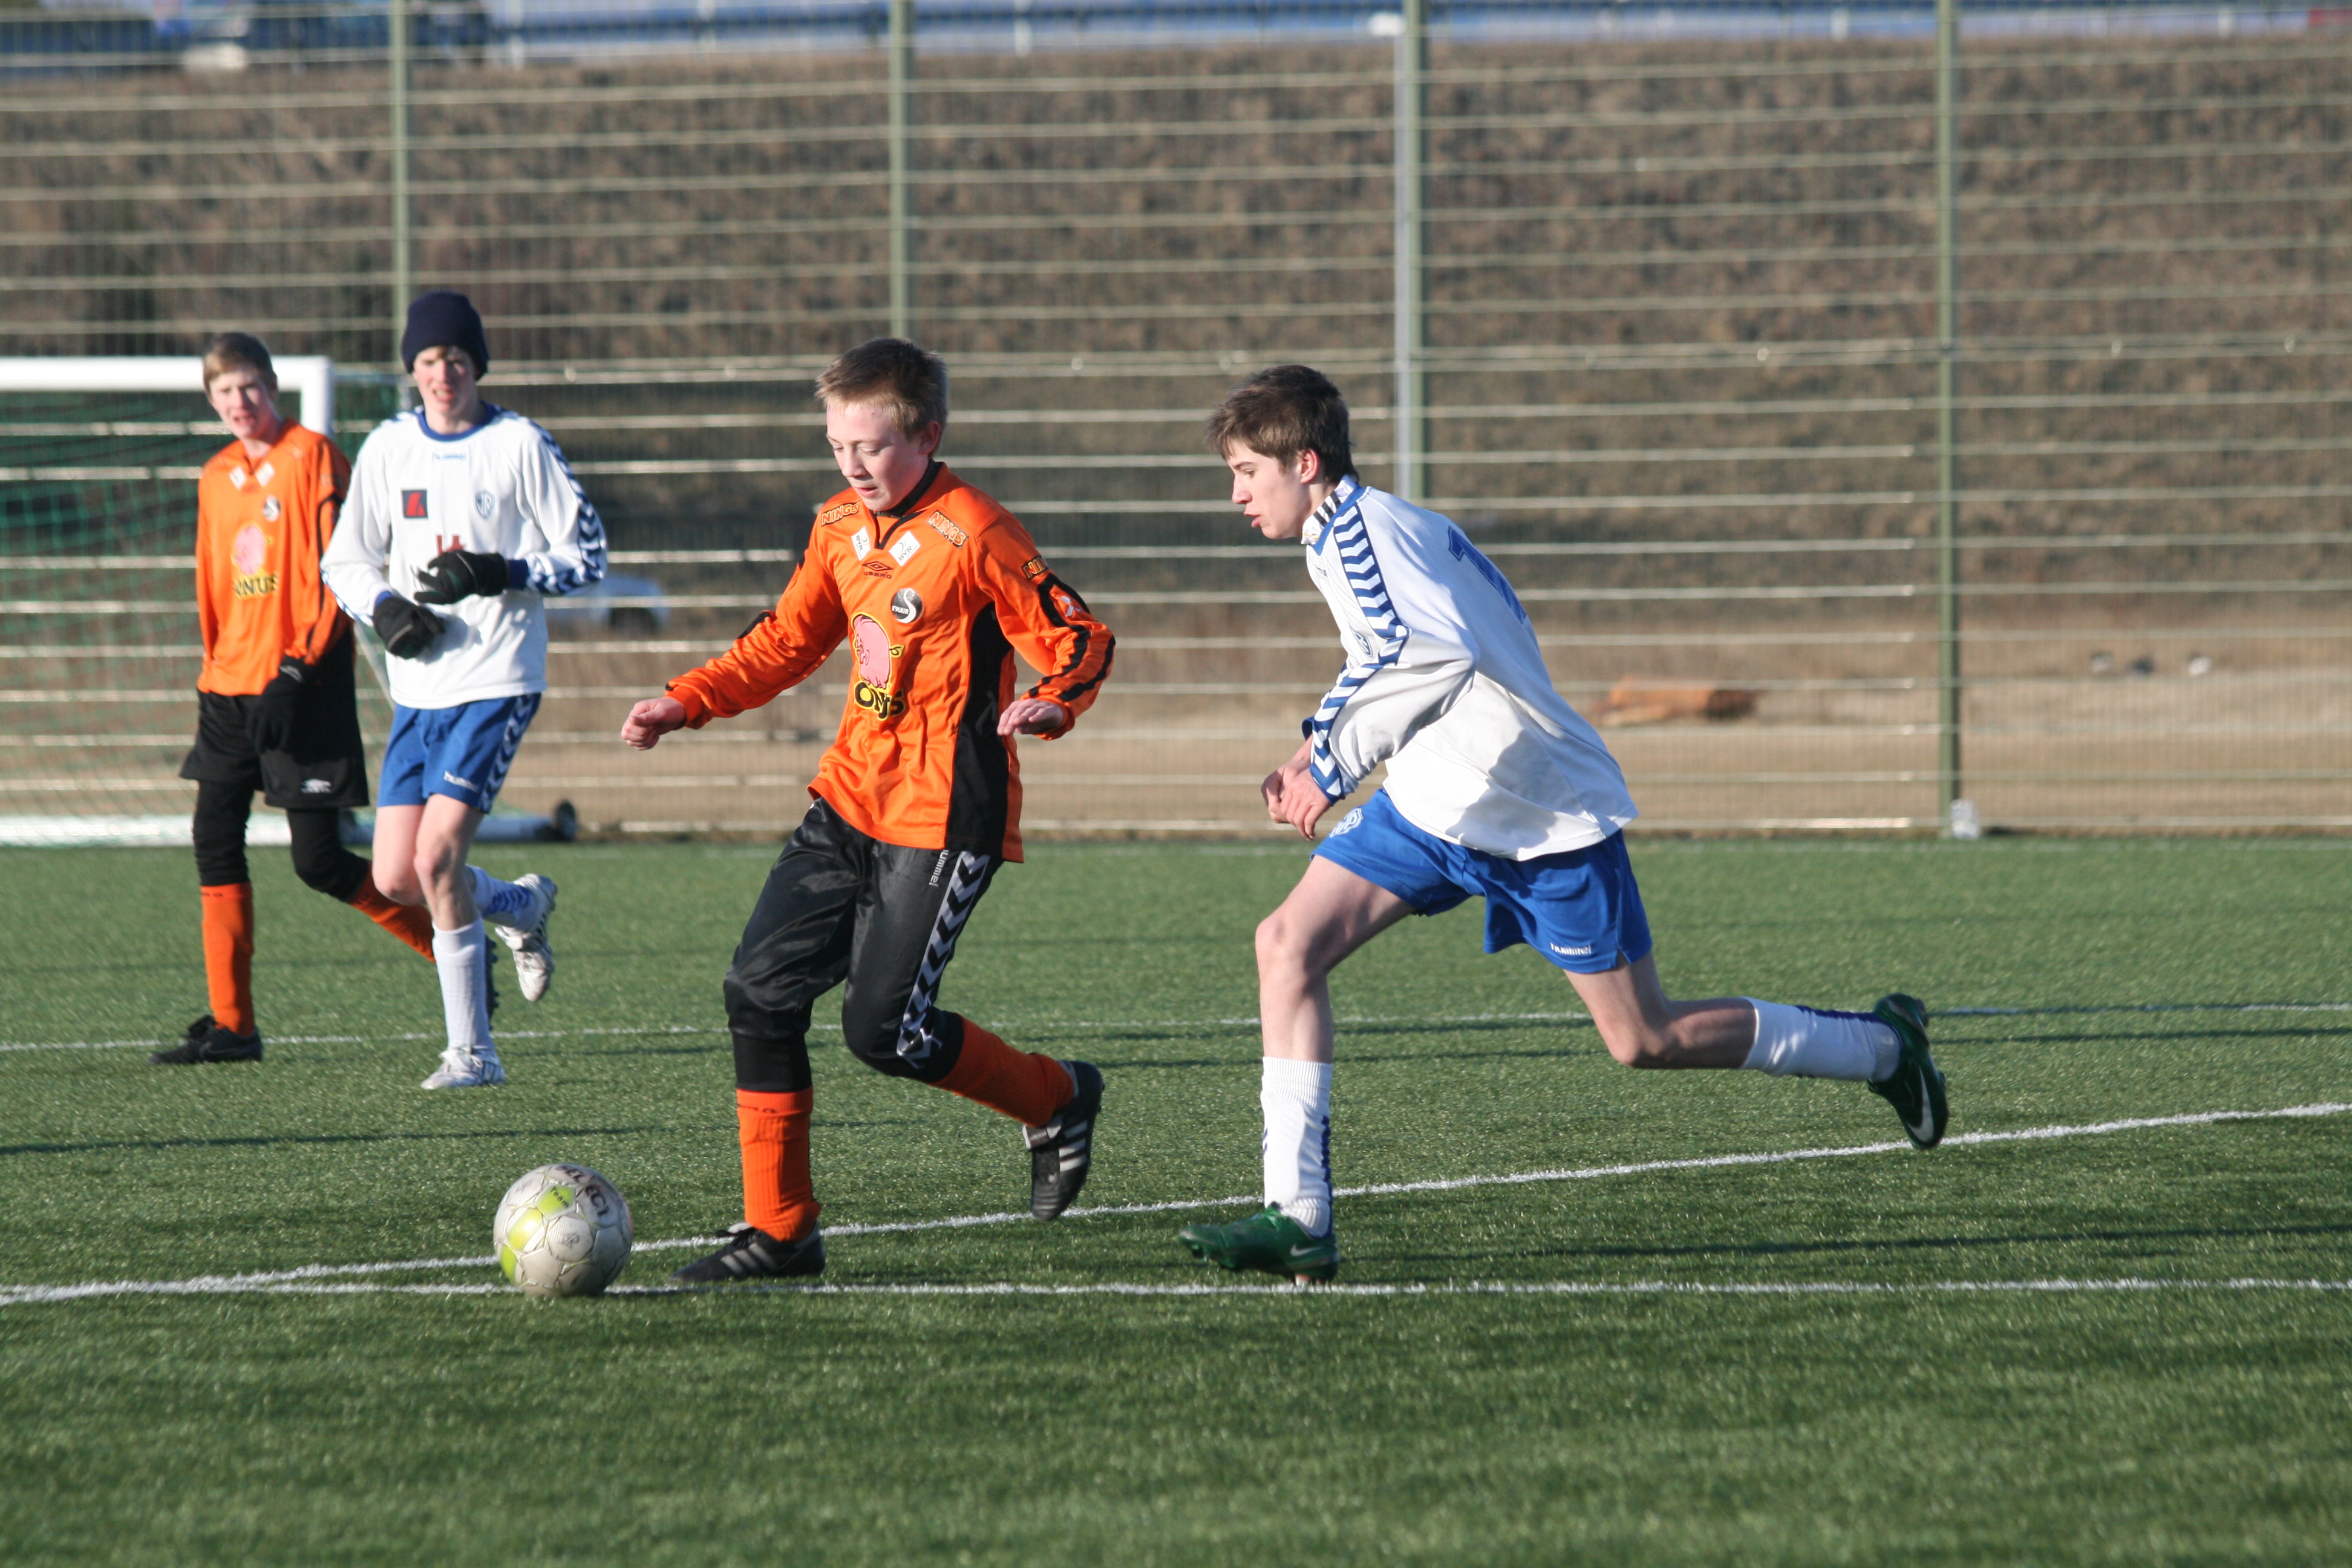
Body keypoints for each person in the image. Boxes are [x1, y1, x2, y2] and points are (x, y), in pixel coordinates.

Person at [1175, 364, 1949, 1284]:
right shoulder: (1346, 531)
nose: (1237, 494)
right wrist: (1315, 747)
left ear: (1305, 464)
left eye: (1246, 473)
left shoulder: (1366, 537)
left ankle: (1884, 1049)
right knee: (1286, 946)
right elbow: (1381, 655)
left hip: (1540, 816)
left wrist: (1337, 769)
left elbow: (1436, 654)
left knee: (1644, 1039)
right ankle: (1299, 1218)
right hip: (1433, 804)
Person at [621, 337, 1117, 1283]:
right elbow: (785, 641)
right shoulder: (838, 526)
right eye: (839, 447)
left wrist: (1055, 701)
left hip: (943, 814)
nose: (854, 465)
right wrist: (686, 701)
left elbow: (1078, 634)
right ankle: (780, 1233)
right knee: (756, 992)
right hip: (847, 798)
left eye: (874, 446)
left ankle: (1056, 1097)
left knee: (883, 1034)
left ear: (929, 436)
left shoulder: (975, 531)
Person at [322, 290, 606, 1089]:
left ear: (477, 364)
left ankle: (474, 1055)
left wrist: (500, 570)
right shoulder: (389, 448)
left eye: (455, 359)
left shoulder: (519, 445)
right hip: (419, 690)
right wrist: (385, 609)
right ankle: (518, 907)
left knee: (439, 857)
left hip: (496, 680)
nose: (442, 374)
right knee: (397, 878)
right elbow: (344, 561)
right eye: (427, 361)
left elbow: (587, 557)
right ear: (411, 371)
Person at [153, 333, 441, 1066]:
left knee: (318, 861)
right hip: (229, 690)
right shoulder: (216, 475)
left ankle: (453, 951)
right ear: (211, 401)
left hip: (300, 686)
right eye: (225, 392)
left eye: (250, 387)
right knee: (214, 838)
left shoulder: (313, 455)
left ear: (273, 387)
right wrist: (215, 666)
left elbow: (339, 571)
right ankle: (234, 1028)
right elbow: (213, 581)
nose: (240, 403)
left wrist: (295, 668)